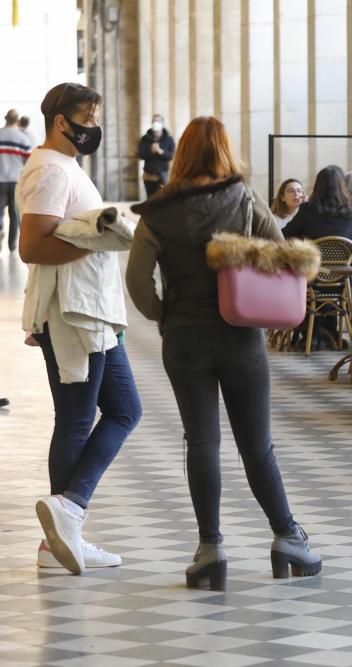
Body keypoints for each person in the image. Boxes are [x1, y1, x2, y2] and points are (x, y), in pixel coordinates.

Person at [126, 116, 321, 589]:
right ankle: (287, 536)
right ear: (225, 150)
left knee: (201, 442)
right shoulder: (244, 197)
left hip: (184, 338)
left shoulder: (157, 211)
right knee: (257, 446)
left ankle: (210, 549)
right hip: (240, 334)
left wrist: (164, 314)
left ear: (182, 153)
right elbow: (280, 256)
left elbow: (136, 280)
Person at [18, 82, 142, 574]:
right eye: (87, 118)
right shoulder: (49, 168)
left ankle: (64, 526)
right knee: (78, 419)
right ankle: (65, 523)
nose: (94, 126)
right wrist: (100, 243)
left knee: (123, 409)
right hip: (73, 315)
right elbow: (32, 246)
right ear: (61, 121)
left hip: (91, 312)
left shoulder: (66, 166)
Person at [282, 164, 352, 246]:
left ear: (317, 186)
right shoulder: (351, 211)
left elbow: (284, 235)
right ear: (341, 187)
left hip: (314, 263)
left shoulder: (307, 209)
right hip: (346, 263)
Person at [1, 108, 32, 253]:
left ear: (5, 119)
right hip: (16, 182)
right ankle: (12, 245)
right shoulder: (23, 139)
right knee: (14, 214)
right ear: (17, 120)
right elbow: (29, 162)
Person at [137, 113, 175, 199]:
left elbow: (171, 156)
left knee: (163, 200)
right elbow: (141, 154)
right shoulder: (145, 139)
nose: (155, 123)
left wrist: (161, 151)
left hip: (163, 175)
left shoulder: (168, 139)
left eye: (158, 121)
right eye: (154, 121)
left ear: (162, 123)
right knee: (150, 199)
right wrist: (151, 151)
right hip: (149, 175)